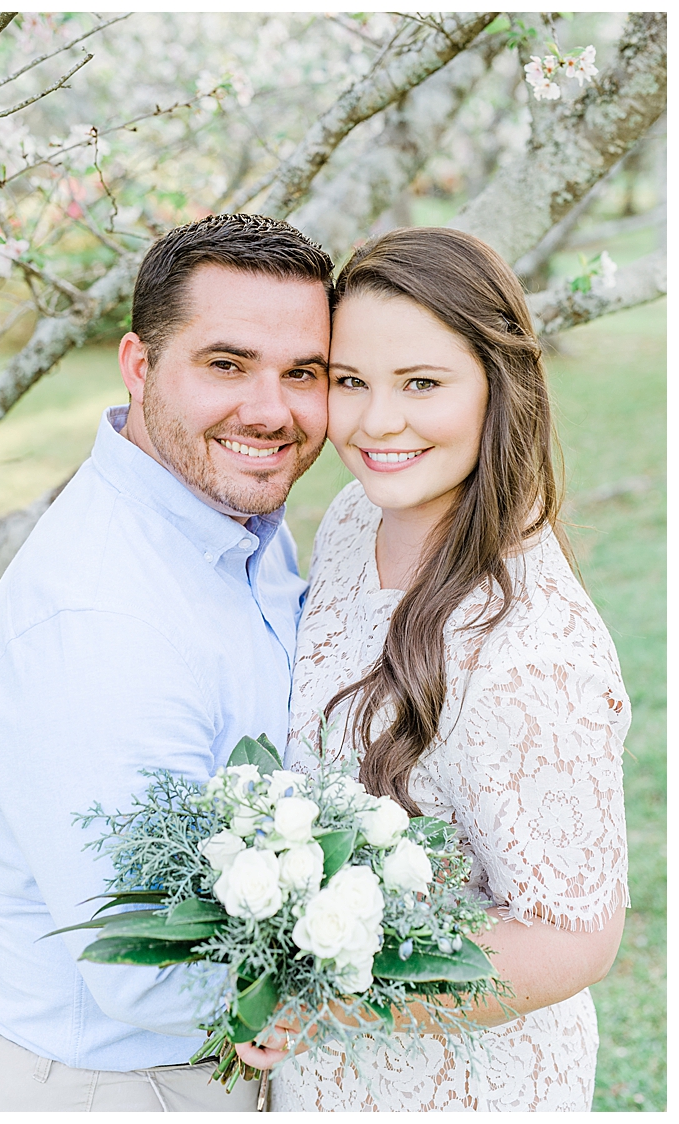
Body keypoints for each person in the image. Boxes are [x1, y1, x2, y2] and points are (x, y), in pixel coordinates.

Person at [0, 213, 335, 1111]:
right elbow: (149, 968)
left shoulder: (237, 522)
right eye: (226, 364)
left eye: (302, 373)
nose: (270, 411)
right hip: (109, 1088)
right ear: (139, 365)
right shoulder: (98, 616)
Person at [247, 227, 628, 1111]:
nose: (377, 422)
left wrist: (334, 993)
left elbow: (574, 939)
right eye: (350, 381)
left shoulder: (532, 654)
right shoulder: (355, 517)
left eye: (421, 383)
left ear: (500, 385)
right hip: (323, 1078)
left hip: (458, 1085)